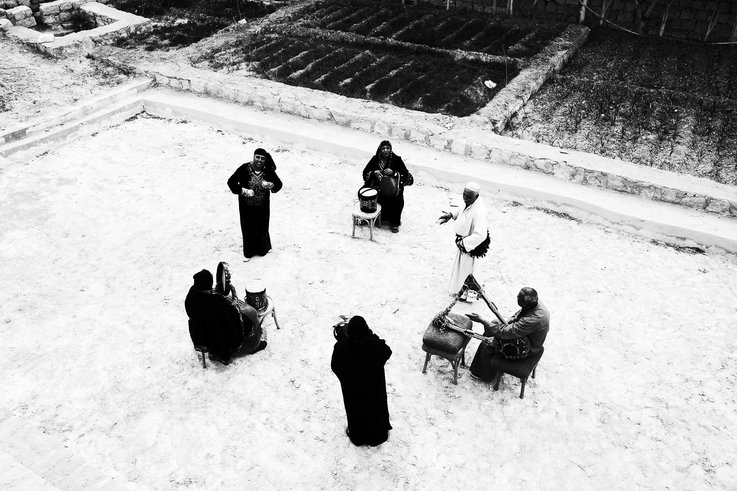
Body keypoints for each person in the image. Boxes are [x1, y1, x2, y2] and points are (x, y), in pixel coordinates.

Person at [331, 316, 392, 446]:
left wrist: (346, 379)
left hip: (352, 392)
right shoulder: (375, 346)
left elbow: (335, 366)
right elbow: (387, 351)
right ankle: (378, 435)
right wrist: (372, 337)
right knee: (375, 409)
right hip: (374, 389)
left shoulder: (341, 348)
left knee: (356, 411)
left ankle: (358, 436)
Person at [466, 287, 550, 381]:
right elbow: (519, 314)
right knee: (495, 323)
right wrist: (505, 323)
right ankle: (486, 363)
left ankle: (483, 374)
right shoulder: (535, 303)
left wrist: (482, 320)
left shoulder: (533, 319)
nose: (517, 297)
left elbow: (503, 333)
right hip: (528, 336)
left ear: (525, 303)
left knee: (487, 343)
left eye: (519, 298)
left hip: (527, 348)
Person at [185, 269, 266, 365]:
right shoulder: (217, 302)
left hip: (201, 333)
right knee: (249, 316)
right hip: (217, 334)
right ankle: (254, 345)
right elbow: (234, 315)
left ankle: (214, 351)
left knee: (216, 324)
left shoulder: (192, 294)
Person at [227, 148, 283, 261]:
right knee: (248, 227)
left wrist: (271, 185)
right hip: (246, 206)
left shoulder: (268, 171)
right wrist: (243, 191)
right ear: (253, 156)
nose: (259, 160)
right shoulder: (244, 168)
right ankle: (248, 252)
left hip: (262, 206)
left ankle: (263, 249)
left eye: (262, 158)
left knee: (262, 227)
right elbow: (230, 182)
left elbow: (279, 184)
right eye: (257, 157)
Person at [437, 182, 490, 296]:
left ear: (476, 196)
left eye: (468, 196)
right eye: (464, 195)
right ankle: (459, 290)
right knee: (461, 269)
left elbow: (481, 234)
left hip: (469, 245)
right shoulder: (468, 202)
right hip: (463, 242)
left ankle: (467, 295)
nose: (465, 198)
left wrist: (464, 243)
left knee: (467, 271)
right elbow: (462, 209)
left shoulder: (479, 212)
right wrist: (451, 215)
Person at [214, 261, 265, 354]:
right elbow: (234, 308)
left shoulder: (207, 299)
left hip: (216, 335)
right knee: (252, 313)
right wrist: (234, 292)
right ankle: (254, 345)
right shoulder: (227, 309)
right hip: (232, 341)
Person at [362, 140, 412, 233]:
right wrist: (374, 173)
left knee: (397, 199)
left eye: (388, 148)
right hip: (377, 186)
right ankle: (369, 217)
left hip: (392, 187)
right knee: (363, 193)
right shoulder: (375, 159)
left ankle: (394, 223)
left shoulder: (397, 160)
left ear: (391, 149)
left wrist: (394, 172)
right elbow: (365, 173)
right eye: (383, 148)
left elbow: (405, 175)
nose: (386, 150)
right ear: (380, 150)